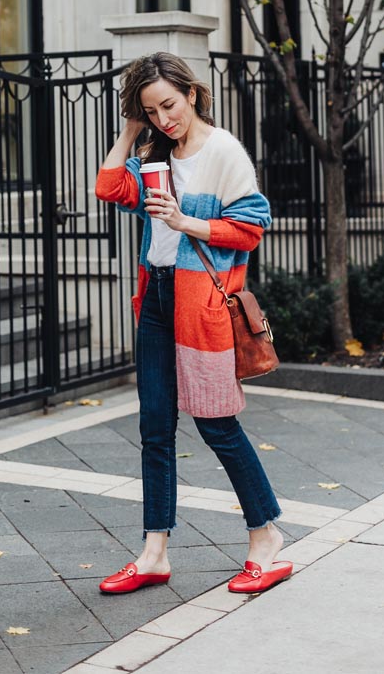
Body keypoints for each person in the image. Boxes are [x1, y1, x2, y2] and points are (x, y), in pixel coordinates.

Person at [94, 52, 292, 596]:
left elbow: (251, 228)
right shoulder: (155, 151)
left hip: (201, 303)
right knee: (154, 427)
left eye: (169, 105)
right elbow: (109, 188)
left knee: (216, 423)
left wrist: (186, 221)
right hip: (156, 296)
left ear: (193, 94)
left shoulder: (224, 152)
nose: (165, 119)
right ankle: (154, 552)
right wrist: (131, 131)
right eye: (152, 110)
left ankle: (266, 538)